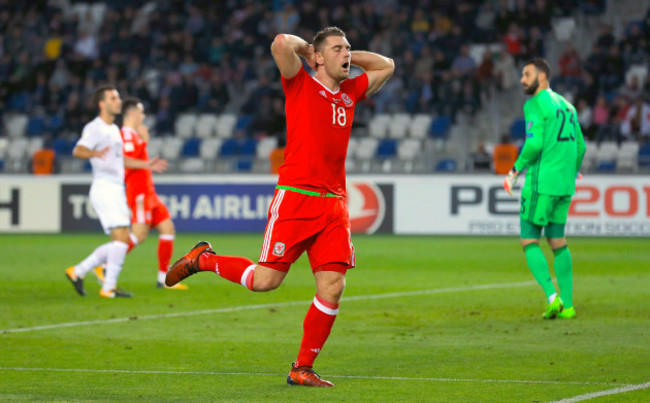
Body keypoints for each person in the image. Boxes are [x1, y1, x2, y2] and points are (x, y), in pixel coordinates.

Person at [165, 27, 394, 387]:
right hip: (296, 198)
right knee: (266, 281)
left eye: (348, 49)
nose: (346, 55)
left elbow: (386, 66)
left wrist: (344, 54)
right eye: (338, 49)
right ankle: (203, 259)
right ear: (318, 57)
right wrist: (311, 51)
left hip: (334, 204)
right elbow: (279, 43)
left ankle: (302, 368)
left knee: (333, 286)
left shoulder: (349, 93)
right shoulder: (300, 84)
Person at [504, 58, 586, 320]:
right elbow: (581, 147)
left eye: (526, 74)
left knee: (529, 238)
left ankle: (553, 298)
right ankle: (569, 306)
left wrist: (515, 170)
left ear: (542, 77)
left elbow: (534, 144)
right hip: (564, 185)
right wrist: (572, 171)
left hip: (542, 183)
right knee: (558, 242)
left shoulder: (535, 104)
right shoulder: (568, 106)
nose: (522, 80)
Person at [65, 85, 166, 298]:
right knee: (121, 237)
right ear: (102, 103)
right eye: (113, 98)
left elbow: (122, 160)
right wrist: (94, 152)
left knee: (120, 238)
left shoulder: (113, 130)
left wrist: (146, 164)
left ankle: (79, 272)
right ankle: (107, 287)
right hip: (105, 187)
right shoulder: (96, 127)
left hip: (116, 187)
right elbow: (78, 150)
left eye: (118, 98)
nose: (118, 101)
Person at [93, 97, 184, 289]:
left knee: (167, 229)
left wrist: (144, 141)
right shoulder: (125, 134)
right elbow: (124, 159)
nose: (143, 116)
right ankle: (105, 265)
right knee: (139, 234)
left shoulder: (134, 135)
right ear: (133, 113)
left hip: (149, 192)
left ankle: (164, 278)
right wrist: (145, 143)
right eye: (141, 112)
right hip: (139, 193)